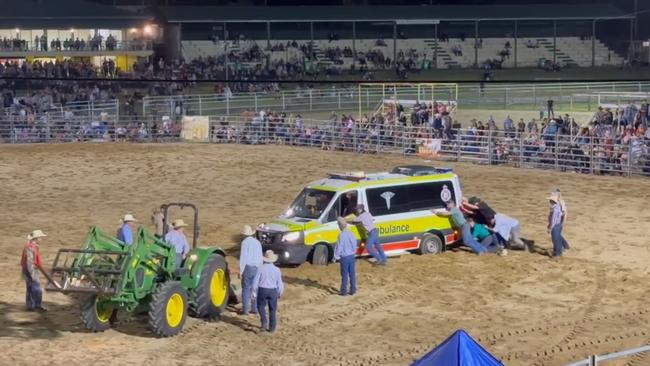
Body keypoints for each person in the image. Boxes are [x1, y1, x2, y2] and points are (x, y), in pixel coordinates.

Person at [252, 250, 284, 333]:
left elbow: (255, 281)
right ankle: (272, 327)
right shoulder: (277, 269)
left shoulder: (260, 268)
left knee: (260, 306)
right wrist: (280, 292)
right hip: (273, 291)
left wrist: (254, 292)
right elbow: (279, 282)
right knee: (272, 309)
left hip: (262, 289)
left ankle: (264, 322)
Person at [21, 230, 48, 312]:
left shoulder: (30, 246)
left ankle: (30, 306)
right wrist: (32, 274)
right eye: (40, 238)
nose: (41, 239)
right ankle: (37, 305)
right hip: (31, 269)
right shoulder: (30, 247)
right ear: (36, 238)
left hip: (27, 268)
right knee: (37, 288)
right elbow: (30, 262)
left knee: (30, 287)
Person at [239, 225, 263, 315]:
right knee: (255, 288)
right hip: (257, 267)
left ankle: (245, 309)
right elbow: (260, 257)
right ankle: (255, 308)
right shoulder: (257, 243)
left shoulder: (244, 243)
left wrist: (241, 271)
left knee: (245, 288)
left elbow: (243, 258)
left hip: (248, 267)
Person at [334, 217, 358, 296]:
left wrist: (336, 257)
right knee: (352, 273)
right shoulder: (351, 233)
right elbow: (354, 245)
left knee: (344, 275)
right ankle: (353, 290)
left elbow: (339, 247)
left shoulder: (341, 235)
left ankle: (344, 291)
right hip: (351, 256)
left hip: (344, 257)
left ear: (340, 225)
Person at [548, 192, 566, 258]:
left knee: (555, 240)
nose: (549, 201)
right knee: (557, 239)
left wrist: (550, 227)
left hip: (555, 226)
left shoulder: (555, 208)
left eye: (550, 200)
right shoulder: (557, 206)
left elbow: (553, 219)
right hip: (557, 225)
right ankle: (559, 252)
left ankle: (557, 254)